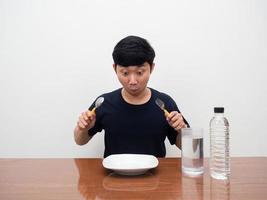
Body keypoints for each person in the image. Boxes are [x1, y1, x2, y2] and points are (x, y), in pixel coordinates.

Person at [74, 35, 189, 158]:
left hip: (154, 174)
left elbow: (188, 148)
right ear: (115, 69)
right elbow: (80, 141)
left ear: (152, 68)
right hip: (114, 174)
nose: (132, 81)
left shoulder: (164, 103)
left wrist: (182, 130)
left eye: (140, 72)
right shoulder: (104, 102)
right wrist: (83, 128)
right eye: (125, 73)